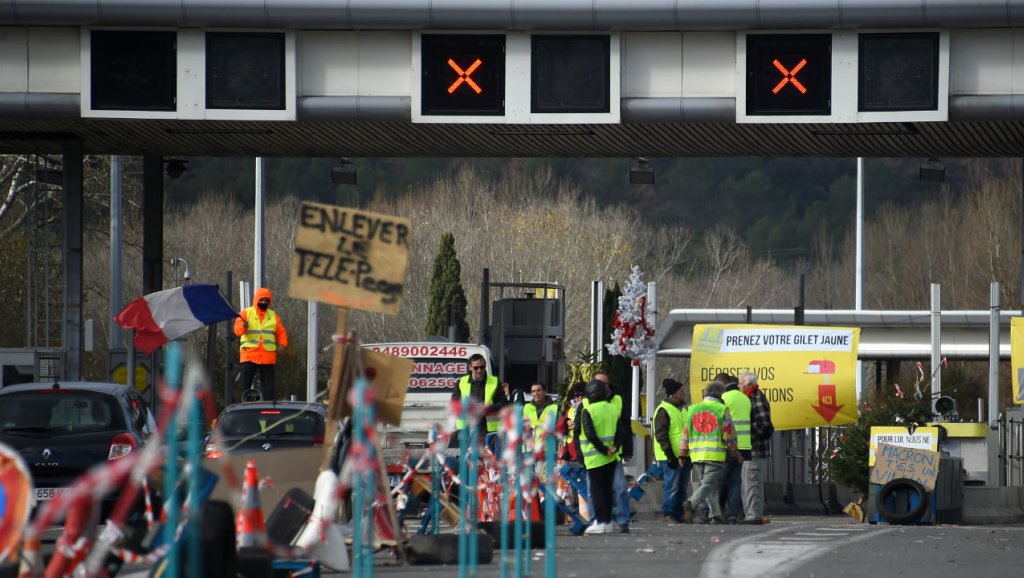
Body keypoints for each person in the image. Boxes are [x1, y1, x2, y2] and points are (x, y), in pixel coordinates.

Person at [681, 381, 735, 524]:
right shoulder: (722, 409)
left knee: (710, 485)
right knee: (708, 484)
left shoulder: (692, 409)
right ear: (720, 394)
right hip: (714, 454)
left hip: (697, 454)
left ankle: (715, 515)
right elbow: (727, 433)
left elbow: (686, 433)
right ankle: (691, 503)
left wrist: (683, 452)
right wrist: (733, 450)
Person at [593, 370, 634, 533]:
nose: (604, 386)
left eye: (606, 383)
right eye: (600, 383)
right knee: (595, 491)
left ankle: (624, 521)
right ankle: (597, 520)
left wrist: (627, 448)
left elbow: (624, 426)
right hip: (595, 455)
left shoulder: (617, 400)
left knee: (620, 487)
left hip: (613, 453)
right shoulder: (587, 401)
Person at [578, 379, 619, 535]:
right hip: (612, 457)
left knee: (597, 491)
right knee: (608, 490)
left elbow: (590, 434)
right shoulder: (612, 409)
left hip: (595, 458)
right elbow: (620, 431)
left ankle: (599, 521)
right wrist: (614, 447)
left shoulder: (587, 410)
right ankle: (607, 522)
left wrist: (603, 450)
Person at [234, 287, 288, 401]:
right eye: (262, 300)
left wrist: (283, 344)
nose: (264, 302)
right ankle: (243, 409)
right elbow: (237, 330)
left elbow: (281, 332)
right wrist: (243, 327)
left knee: (269, 389)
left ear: (269, 301)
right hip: (249, 355)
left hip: (268, 356)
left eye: (266, 300)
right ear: (256, 300)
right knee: (245, 387)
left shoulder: (273, 316)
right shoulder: (246, 313)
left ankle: (270, 411)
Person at [450, 353, 508, 448]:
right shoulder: (461, 382)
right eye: (476, 368)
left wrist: (487, 408)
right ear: (470, 367)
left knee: (488, 459)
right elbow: (454, 403)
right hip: (466, 428)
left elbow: (503, 404)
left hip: (487, 430)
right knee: (466, 459)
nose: (480, 370)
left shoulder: (494, 382)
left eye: (482, 367)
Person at [653, 378, 690, 523]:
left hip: (684, 455)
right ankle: (667, 514)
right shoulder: (664, 410)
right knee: (672, 487)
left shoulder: (683, 409)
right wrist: (669, 455)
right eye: (681, 390)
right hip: (670, 455)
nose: (683, 392)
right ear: (674, 393)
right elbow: (661, 434)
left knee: (682, 488)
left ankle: (678, 514)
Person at [739, 371, 773, 524]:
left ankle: (753, 515)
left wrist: (746, 433)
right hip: (750, 450)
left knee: (753, 483)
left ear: (749, 385)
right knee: (747, 484)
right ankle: (750, 514)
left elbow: (764, 424)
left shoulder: (756, 398)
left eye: (740, 383)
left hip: (756, 450)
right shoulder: (748, 398)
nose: (738, 386)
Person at [719, 373, 752, 523]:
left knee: (719, 481)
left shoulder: (724, 399)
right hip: (745, 445)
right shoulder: (745, 399)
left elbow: (723, 424)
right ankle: (732, 514)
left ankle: (712, 512)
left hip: (729, 445)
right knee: (736, 483)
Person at [523, 381, 559, 452]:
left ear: (545, 392)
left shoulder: (554, 408)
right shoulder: (526, 407)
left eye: (539, 390)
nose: (536, 393)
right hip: (529, 450)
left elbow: (560, 429)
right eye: (533, 391)